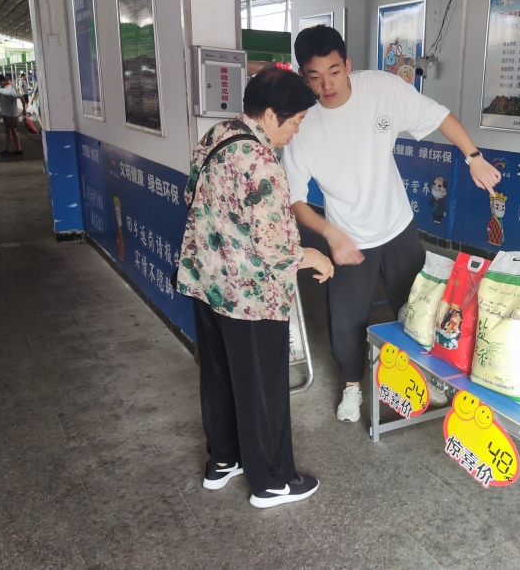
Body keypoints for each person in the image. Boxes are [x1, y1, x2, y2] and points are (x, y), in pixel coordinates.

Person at [282, 26, 501, 423]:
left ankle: (427, 375)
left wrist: (473, 156)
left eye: (334, 71)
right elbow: (295, 198)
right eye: (315, 76)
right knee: (347, 320)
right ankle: (352, 387)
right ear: (302, 76)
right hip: (348, 236)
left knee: (416, 307)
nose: (327, 85)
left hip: (398, 226)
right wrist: (331, 235)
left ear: (348, 65)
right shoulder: (301, 124)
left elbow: (439, 115)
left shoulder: (381, 89)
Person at [176, 67, 334, 509]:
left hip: (207, 282)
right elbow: (276, 249)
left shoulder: (218, 134)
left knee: (220, 376)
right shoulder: (263, 164)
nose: (295, 131)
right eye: (295, 122)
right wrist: (314, 255)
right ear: (269, 115)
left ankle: (223, 460)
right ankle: (272, 482)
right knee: (263, 387)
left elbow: (191, 195)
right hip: (251, 298)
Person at [0, 74, 23, 156]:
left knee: (9, 131)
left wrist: (24, 110)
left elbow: (21, 98)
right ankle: (18, 149)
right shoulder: (0, 88)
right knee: (12, 131)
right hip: (5, 113)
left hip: (11, 114)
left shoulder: (11, 88)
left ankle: (8, 149)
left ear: (2, 80)